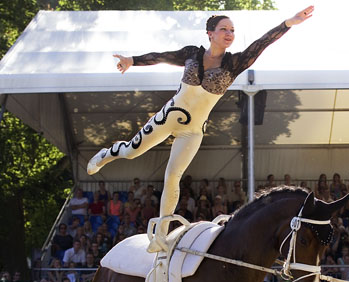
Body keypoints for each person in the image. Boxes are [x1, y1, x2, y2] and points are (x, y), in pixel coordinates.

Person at [86, 7, 314, 252]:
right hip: (168, 117)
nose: (229, 33)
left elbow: (261, 43)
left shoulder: (234, 63)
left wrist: (288, 23)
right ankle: (105, 154)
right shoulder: (191, 53)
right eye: (224, 29)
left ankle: (160, 235)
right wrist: (133, 61)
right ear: (210, 33)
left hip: (193, 130)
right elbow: (161, 56)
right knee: (131, 151)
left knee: (173, 176)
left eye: (232, 30)